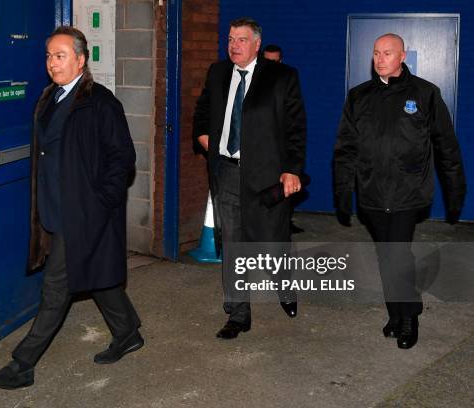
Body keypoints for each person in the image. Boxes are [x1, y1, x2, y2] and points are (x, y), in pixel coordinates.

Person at [0, 26, 143, 389]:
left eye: (60, 56)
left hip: (84, 212)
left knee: (56, 287)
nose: (52, 63)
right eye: (49, 56)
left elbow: (123, 159)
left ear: (81, 60)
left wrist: (100, 203)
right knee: (94, 273)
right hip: (55, 208)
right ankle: (128, 331)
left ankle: (22, 364)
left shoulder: (100, 103)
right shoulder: (49, 98)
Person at [333, 33, 466, 349]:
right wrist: (342, 191)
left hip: (408, 192)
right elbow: (345, 149)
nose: (379, 59)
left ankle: (409, 316)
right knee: (385, 254)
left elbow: (446, 146)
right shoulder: (358, 97)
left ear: (403, 56)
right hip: (372, 192)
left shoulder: (425, 94)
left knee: (397, 254)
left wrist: (455, 190)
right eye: (376, 53)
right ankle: (396, 312)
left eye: (387, 53)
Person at [193, 18, 307, 339]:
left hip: (267, 176)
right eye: (231, 39)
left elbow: (295, 128)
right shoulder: (217, 73)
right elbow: (202, 113)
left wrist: (292, 169)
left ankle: (285, 287)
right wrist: (208, 143)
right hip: (227, 172)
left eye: (242, 39)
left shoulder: (282, 77)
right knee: (233, 244)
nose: (234, 45)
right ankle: (238, 313)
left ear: (257, 44)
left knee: (272, 242)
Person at [262, 43, 305, 234]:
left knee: (285, 187)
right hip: (259, 152)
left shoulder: (288, 79)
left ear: (281, 60)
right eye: (267, 61)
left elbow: (295, 121)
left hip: (281, 149)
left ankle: (284, 222)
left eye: (275, 61)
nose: (272, 65)